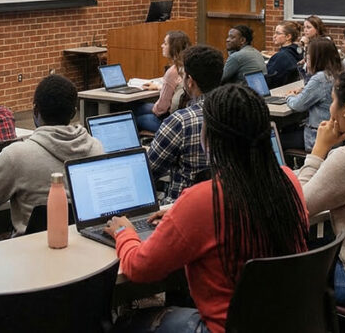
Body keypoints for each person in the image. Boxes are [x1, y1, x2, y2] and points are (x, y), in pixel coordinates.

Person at [104, 83, 308, 333]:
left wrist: (124, 233)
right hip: (284, 322)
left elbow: (139, 268)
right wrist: (181, 214)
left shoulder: (204, 200)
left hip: (221, 328)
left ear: (210, 136)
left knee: (125, 323)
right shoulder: (288, 180)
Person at [0, 74, 104, 234]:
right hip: (83, 248)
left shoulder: (16, 155)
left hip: (29, 253)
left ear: (35, 110)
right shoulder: (96, 147)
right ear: (73, 113)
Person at [296, 68, 345, 308]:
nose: (330, 108)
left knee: (286, 278)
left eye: (333, 100)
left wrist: (318, 151)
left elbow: (299, 206)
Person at [147, 45, 223, 201]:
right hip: (227, 203)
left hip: (181, 207)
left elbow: (150, 170)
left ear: (190, 81)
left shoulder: (180, 121)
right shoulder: (238, 112)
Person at [284, 37, 343, 152]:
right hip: (335, 135)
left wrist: (289, 96)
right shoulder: (337, 73)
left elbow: (297, 105)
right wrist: (305, 89)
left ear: (316, 58)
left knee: (276, 140)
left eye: (308, 56)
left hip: (316, 137)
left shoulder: (320, 78)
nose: (306, 59)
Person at [133, 30, 192, 133]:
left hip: (170, 121)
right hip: (184, 114)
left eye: (165, 43)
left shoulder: (172, 72)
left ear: (174, 48)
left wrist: (154, 109)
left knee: (137, 117)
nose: (162, 46)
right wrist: (159, 87)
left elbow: (160, 109)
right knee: (140, 107)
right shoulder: (188, 65)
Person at [265, 21, 303, 88]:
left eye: (278, 33)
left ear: (288, 36)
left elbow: (268, 80)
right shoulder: (297, 51)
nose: (274, 36)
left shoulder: (281, 56)